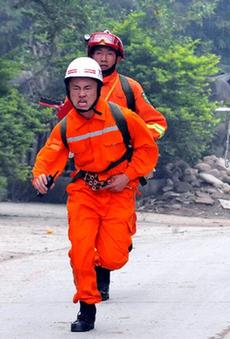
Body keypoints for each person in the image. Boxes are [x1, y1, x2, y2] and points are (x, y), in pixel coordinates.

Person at [32, 57, 158, 332]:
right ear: (68, 91)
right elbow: (50, 155)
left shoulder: (123, 117)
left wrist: (128, 175)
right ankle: (86, 307)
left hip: (119, 191)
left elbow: (148, 150)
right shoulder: (66, 126)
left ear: (99, 88)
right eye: (75, 88)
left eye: (87, 88)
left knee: (114, 258)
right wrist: (41, 176)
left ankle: (123, 238)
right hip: (84, 193)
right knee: (80, 250)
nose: (81, 94)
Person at [58, 30, 167, 300]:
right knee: (86, 234)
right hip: (88, 172)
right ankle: (98, 286)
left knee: (114, 235)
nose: (103, 58)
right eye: (98, 53)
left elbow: (157, 122)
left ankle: (121, 239)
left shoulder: (130, 88)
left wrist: (135, 138)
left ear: (117, 58)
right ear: (90, 56)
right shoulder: (79, 85)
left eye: (109, 54)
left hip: (123, 169)